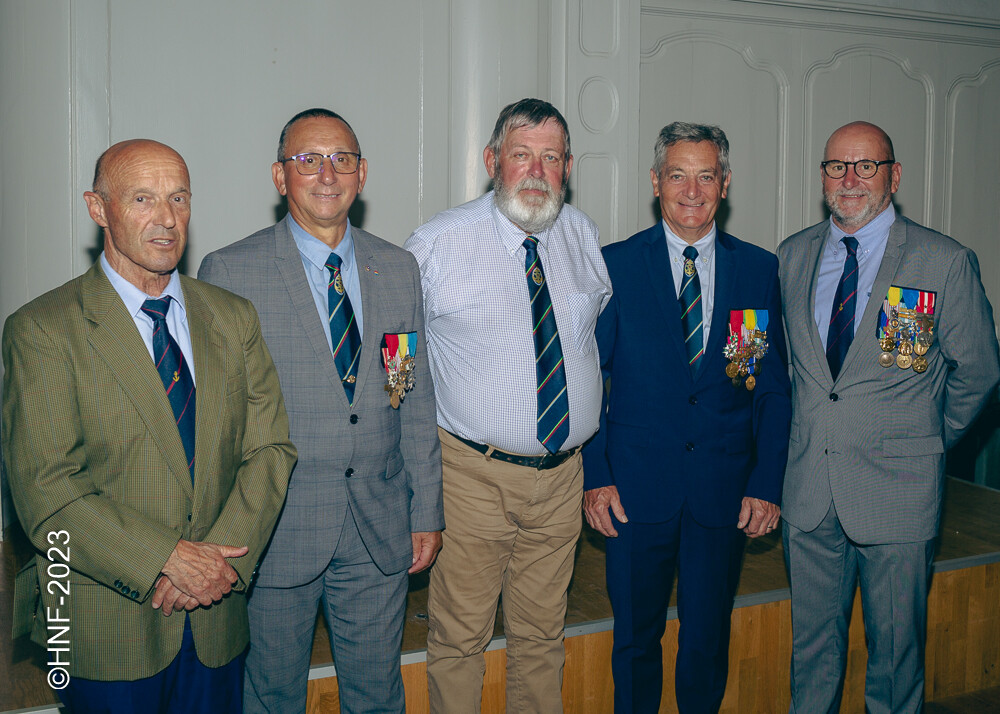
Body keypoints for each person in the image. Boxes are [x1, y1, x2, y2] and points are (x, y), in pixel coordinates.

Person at [2, 139, 296, 713]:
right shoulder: (43, 329)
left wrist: (217, 564)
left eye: (178, 198)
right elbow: (49, 495)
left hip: (216, 617)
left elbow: (270, 450)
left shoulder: (231, 318)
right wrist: (168, 557)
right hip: (100, 625)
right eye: (142, 199)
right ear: (98, 208)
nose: (166, 219)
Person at [198, 108, 443, 714]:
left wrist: (426, 509)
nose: (327, 173)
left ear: (363, 174)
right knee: (271, 695)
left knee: (376, 694)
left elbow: (408, 395)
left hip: (378, 525)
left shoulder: (397, 268)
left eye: (342, 159)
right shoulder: (231, 273)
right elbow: (215, 426)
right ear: (280, 177)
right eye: (308, 160)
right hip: (276, 527)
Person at [779, 120, 1000, 714]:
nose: (849, 180)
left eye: (865, 166)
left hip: (899, 494)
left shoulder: (942, 262)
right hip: (809, 494)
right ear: (822, 176)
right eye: (836, 167)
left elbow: (978, 370)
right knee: (812, 654)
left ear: (893, 175)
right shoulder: (792, 256)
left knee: (897, 658)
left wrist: (926, 438)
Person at [405, 97, 611, 713]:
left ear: (568, 166)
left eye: (551, 158)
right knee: (460, 638)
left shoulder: (580, 232)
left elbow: (591, 340)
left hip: (561, 478)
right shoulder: (438, 243)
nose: (536, 172)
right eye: (522, 155)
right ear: (493, 160)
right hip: (472, 475)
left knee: (543, 636)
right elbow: (398, 363)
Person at [582, 122, 791, 713]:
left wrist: (766, 483)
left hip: (720, 494)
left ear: (725, 183)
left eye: (706, 175)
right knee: (635, 642)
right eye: (678, 175)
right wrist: (595, 475)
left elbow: (770, 390)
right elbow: (589, 379)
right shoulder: (615, 266)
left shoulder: (758, 270)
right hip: (633, 491)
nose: (691, 190)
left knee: (707, 640)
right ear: (656, 182)